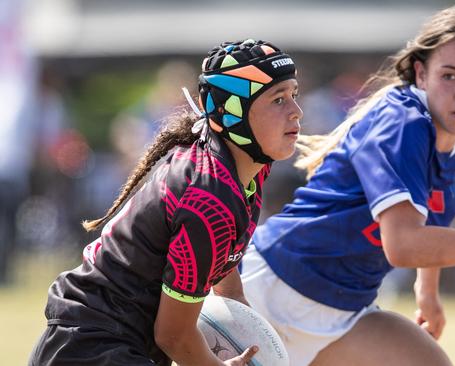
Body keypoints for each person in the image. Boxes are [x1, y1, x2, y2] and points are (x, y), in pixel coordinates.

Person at [239, 6, 455, 366]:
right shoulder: (403, 123)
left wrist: (427, 290)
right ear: (421, 73)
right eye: (450, 76)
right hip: (274, 289)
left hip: (345, 307)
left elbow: (430, 219)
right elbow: (403, 245)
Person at [29, 39, 303, 366]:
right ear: (233, 113)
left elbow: (227, 289)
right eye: (278, 99)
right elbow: (174, 336)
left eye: (294, 95)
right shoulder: (209, 195)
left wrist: (260, 346)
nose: (296, 111)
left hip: (112, 342)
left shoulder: (241, 178)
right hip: (89, 348)